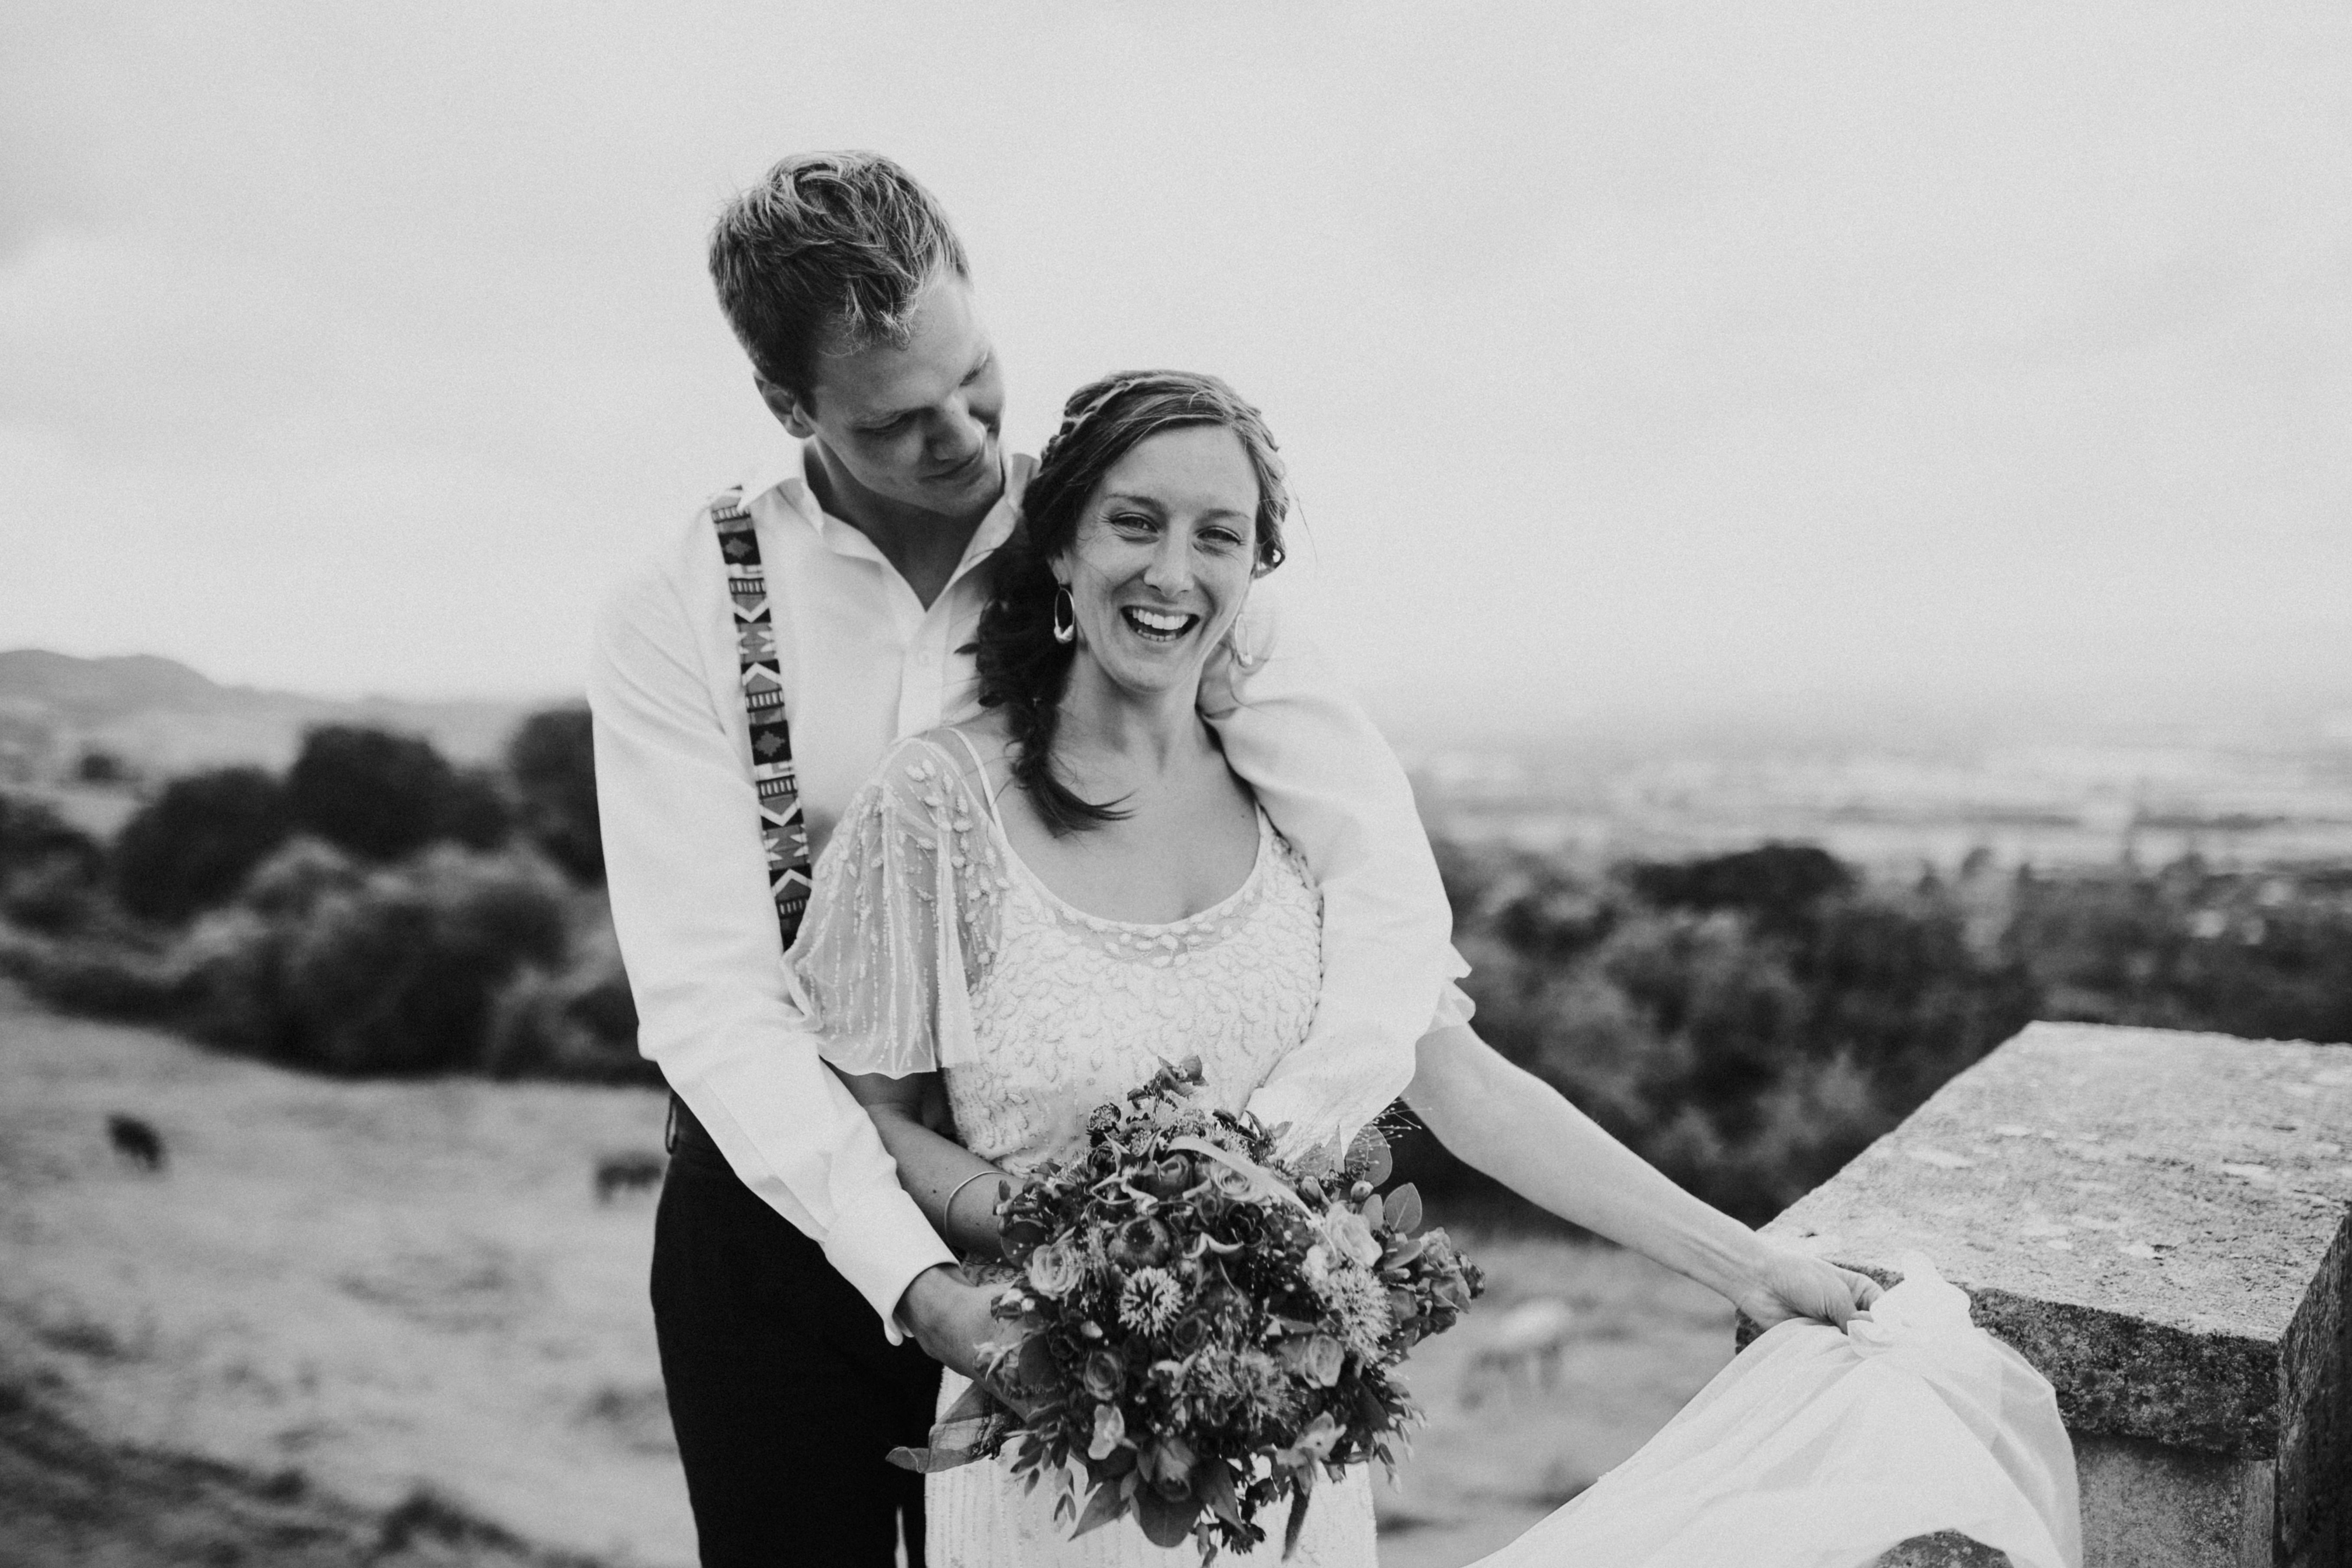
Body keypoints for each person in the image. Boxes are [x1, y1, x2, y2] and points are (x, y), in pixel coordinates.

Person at [790, 370, 1910, 1568]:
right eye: (1135, 521)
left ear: (1255, 569)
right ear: (1059, 545)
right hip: (1054, 1451)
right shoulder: (936, 803)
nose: (1173, 571)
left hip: (1287, 1475)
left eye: (1218, 534)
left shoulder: (1300, 812)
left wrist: (1749, 1264)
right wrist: (1091, 1245)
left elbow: (1464, 1088)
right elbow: (863, 1120)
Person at [589, 153, 1467, 1568]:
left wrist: (1258, 1170)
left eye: (976, 380)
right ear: (788, 407)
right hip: (775, 1207)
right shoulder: (677, 610)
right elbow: (706, 1001)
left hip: (1070, 1217)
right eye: (896, 420)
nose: (958, 437)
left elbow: (1379, 879)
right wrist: (915, 1278)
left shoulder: (1125, 548)